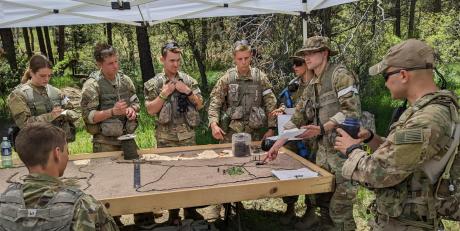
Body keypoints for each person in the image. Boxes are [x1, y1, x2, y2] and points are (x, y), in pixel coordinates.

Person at [335, 39, 459, 231]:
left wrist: (351, 150)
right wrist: (371, 139)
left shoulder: (426, 119)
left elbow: (381, 172)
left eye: (385, 76)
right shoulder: (439, 109)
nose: (385, 83)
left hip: (406, 223)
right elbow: (409, 157)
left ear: (402, 75)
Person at [266, 36, 361, 230]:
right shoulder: (313, 84)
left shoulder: (340, 75)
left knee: (340, 211)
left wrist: (322, 128)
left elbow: (352, 112)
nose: (306, 57)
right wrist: (278, 142)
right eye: (304, 54)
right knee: (323, 207)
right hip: (322, 154)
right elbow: (298, 116)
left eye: (311, 53)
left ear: (324, 53)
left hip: (342, 153)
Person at [0, 122, 119, 231]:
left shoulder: (3, 203)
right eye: (66, 151)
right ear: (57, 153)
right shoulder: (83, 206)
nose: (68, 155)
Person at [80, 43, 144, 225]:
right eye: (110, 63)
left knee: (136, 177)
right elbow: (88, 117)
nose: (115, 66)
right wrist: (111, 112)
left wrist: (132, 110)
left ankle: (141, 215)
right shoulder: (92, 86)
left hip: (127, 139)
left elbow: (136, 101)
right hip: (105, 142)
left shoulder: (125, 80)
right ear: (99, 64)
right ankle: (112, 221)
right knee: (107, 184)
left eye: (116, 61)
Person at [144, 41, 204, 224]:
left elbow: (200, 104)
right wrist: (165, 93)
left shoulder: (189, 81)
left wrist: (187, 92)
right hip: (166, 139)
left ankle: (190, 210)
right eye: (171, 60)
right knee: (169, 177)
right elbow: (150, 110)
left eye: (178, 60)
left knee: (189, 174)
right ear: (162, 59)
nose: (176, 64)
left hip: (187, 137)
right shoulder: (153, 83)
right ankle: (173, 214)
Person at [270, 51, 318, 225]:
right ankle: (289, 207)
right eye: (294, 64)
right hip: (291, 137)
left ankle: (311, 210)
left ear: (308, 63)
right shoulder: (293, 86)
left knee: (311, 171)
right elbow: (289, 104)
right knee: (289, 170)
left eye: (298, 63)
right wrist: (282, 109)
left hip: (310, 137)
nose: (294, 67)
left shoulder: (317, 85)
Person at [208, 40, 277, 143]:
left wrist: (272, 129)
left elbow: (271, 103)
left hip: (255, 134)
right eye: (240, 59)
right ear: (234, 58)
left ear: (251, 55)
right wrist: (214, 125)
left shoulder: (260, 78)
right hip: (231, 134)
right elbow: (215, 102)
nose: (243, 62)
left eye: (246, 58)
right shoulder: (227, 79)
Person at [7, 54, 79, 143]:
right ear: (31, 72)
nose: (47, 79)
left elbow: (73, 112)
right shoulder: (18, 95)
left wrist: (66, 114)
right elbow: (25, 125)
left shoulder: (55, 91)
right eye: (42, 75)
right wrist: (51, 116)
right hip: (35, 147)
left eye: (49, 75)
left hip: (59, 144)